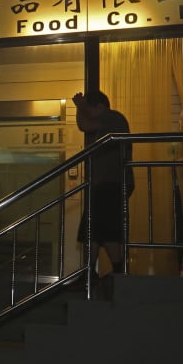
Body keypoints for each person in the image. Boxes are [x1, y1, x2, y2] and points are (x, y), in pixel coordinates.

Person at [73, 90, 134, 281]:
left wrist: (80, 105)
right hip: (104, 185)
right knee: (93, 231)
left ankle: (118, 272)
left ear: (100, 106)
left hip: (112, 183)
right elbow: (84, 124)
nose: (87, 112)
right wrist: (81, 106)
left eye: (89, 108)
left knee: (107, 231)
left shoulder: (113, 118)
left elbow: (87, 122)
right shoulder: (105, 121)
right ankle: (90, 272)